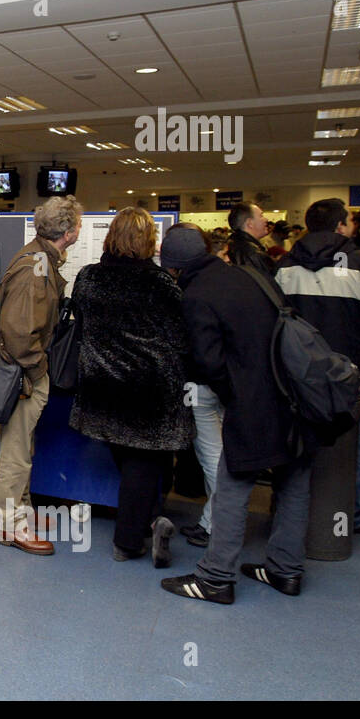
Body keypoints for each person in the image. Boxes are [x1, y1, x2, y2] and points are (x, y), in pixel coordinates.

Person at [158, 225, 310, 604]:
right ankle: (285, 571)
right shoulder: (249, 273)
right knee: (292, 483)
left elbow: (209, 363)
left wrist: (234, 396)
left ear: (174, 267)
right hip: (296, 393)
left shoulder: (196, 295)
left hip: (256, 402)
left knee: (230, 487)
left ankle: (216, 578)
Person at [70, 207, 193, 566]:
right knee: (143, 460)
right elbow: (181, 337)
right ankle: (128, 540)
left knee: (129, 455)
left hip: (102, 384)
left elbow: (82, 319)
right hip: (149, 389)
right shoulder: (161, 284)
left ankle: (151, 519)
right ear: (149, 242)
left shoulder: (89, 278)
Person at [276, 199, 360, 536]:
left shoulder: (284, 265)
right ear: (341, 226)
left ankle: (288, 511)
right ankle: (350, 515)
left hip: (296, 372)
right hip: (350, 373)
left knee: (295, 441)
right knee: (351, 443)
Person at [0, 195, 82, 554]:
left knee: (22, 446)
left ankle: (21, 513)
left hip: (23, 371)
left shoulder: (37, 256)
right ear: (69, 232)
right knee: (16, 452)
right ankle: (11, 527)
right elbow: (19, 333)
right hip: (24, 374)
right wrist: (38, 373)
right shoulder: (35, 268)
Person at [160, 223, 219, 549]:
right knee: (216, 457)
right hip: (218, 385)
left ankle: (215, 524)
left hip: (205, 385)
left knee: (214, 457)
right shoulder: (226, 280)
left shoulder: (191, 293)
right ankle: (214, 520)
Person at [225, 201, 274, 276]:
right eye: (261, 216)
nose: (266, 219)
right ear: (250, 223)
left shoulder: (234, 244)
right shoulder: (252, 253)